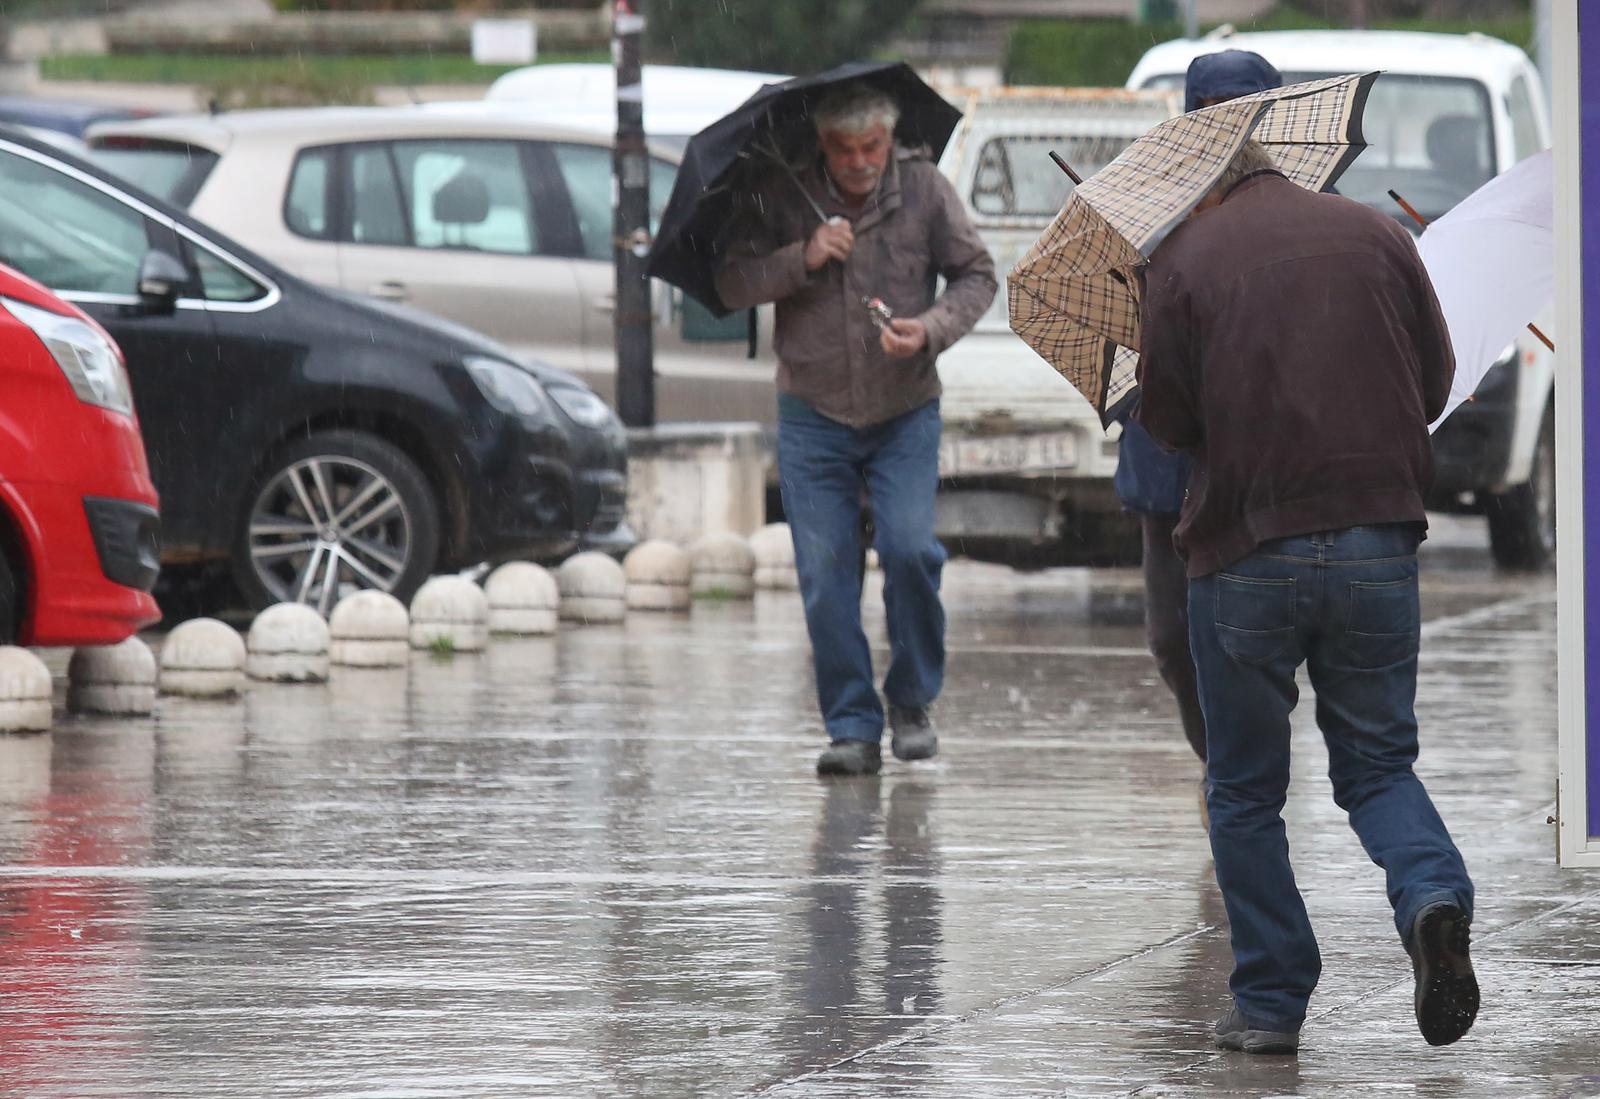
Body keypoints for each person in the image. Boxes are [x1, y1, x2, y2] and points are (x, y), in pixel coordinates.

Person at [1136, 139, 1479, 1054]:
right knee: (1377, 767)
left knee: (1245, 790)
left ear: (1201, 177)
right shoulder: (1376, 233)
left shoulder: (1182, 262)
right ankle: (1432, 895)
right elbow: (1435, 382)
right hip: (1377, 539)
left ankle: (1271, 1002)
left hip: (1246, 551)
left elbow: (1164, 423)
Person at [714, 83, 997, 776]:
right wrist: (802, 257)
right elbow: (730, 283)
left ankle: (911, 701)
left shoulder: (924, 188)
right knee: (825, 573)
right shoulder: (781, 191)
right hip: (813, 414)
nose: (859, 162)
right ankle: (850, 725)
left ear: (889, 138)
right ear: (822, 144)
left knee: (909, 551)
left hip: (904, 410)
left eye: (870, 147)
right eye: (843, 150)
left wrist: (927, 329)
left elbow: (977, 276)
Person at [1114, 49, 1282, 825]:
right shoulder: (1143, 217)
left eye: (1245, 118)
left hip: (1267, 463)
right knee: (1171, 636)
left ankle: (1245, 775)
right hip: (1168, 460)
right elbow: (1118, 349)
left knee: (1253, 636)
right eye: (1214, 117)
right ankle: (1222, 762)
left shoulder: (1305, 210)